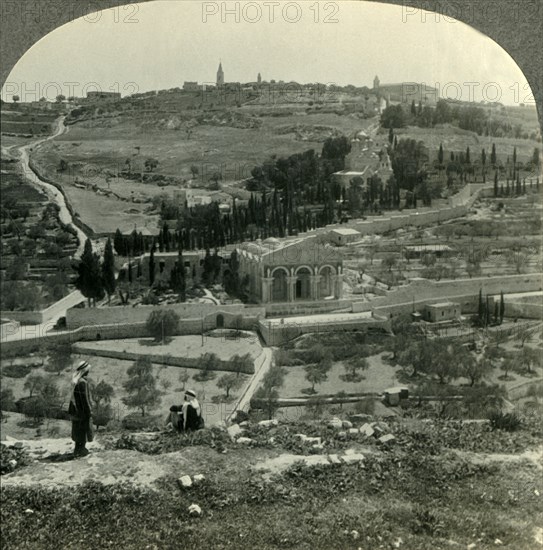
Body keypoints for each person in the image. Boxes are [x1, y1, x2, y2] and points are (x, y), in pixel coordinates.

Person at [68, 360, 94, 457]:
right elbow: (85, 399)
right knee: (84, 429)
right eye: (88, 370)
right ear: (85, 371)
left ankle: (77, 449)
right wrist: (89, 411)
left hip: (76, 410)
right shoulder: (83, 382)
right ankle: (81, 450)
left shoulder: (76, 381)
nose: (88, 372)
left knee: (78, 429)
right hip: (82, 411)